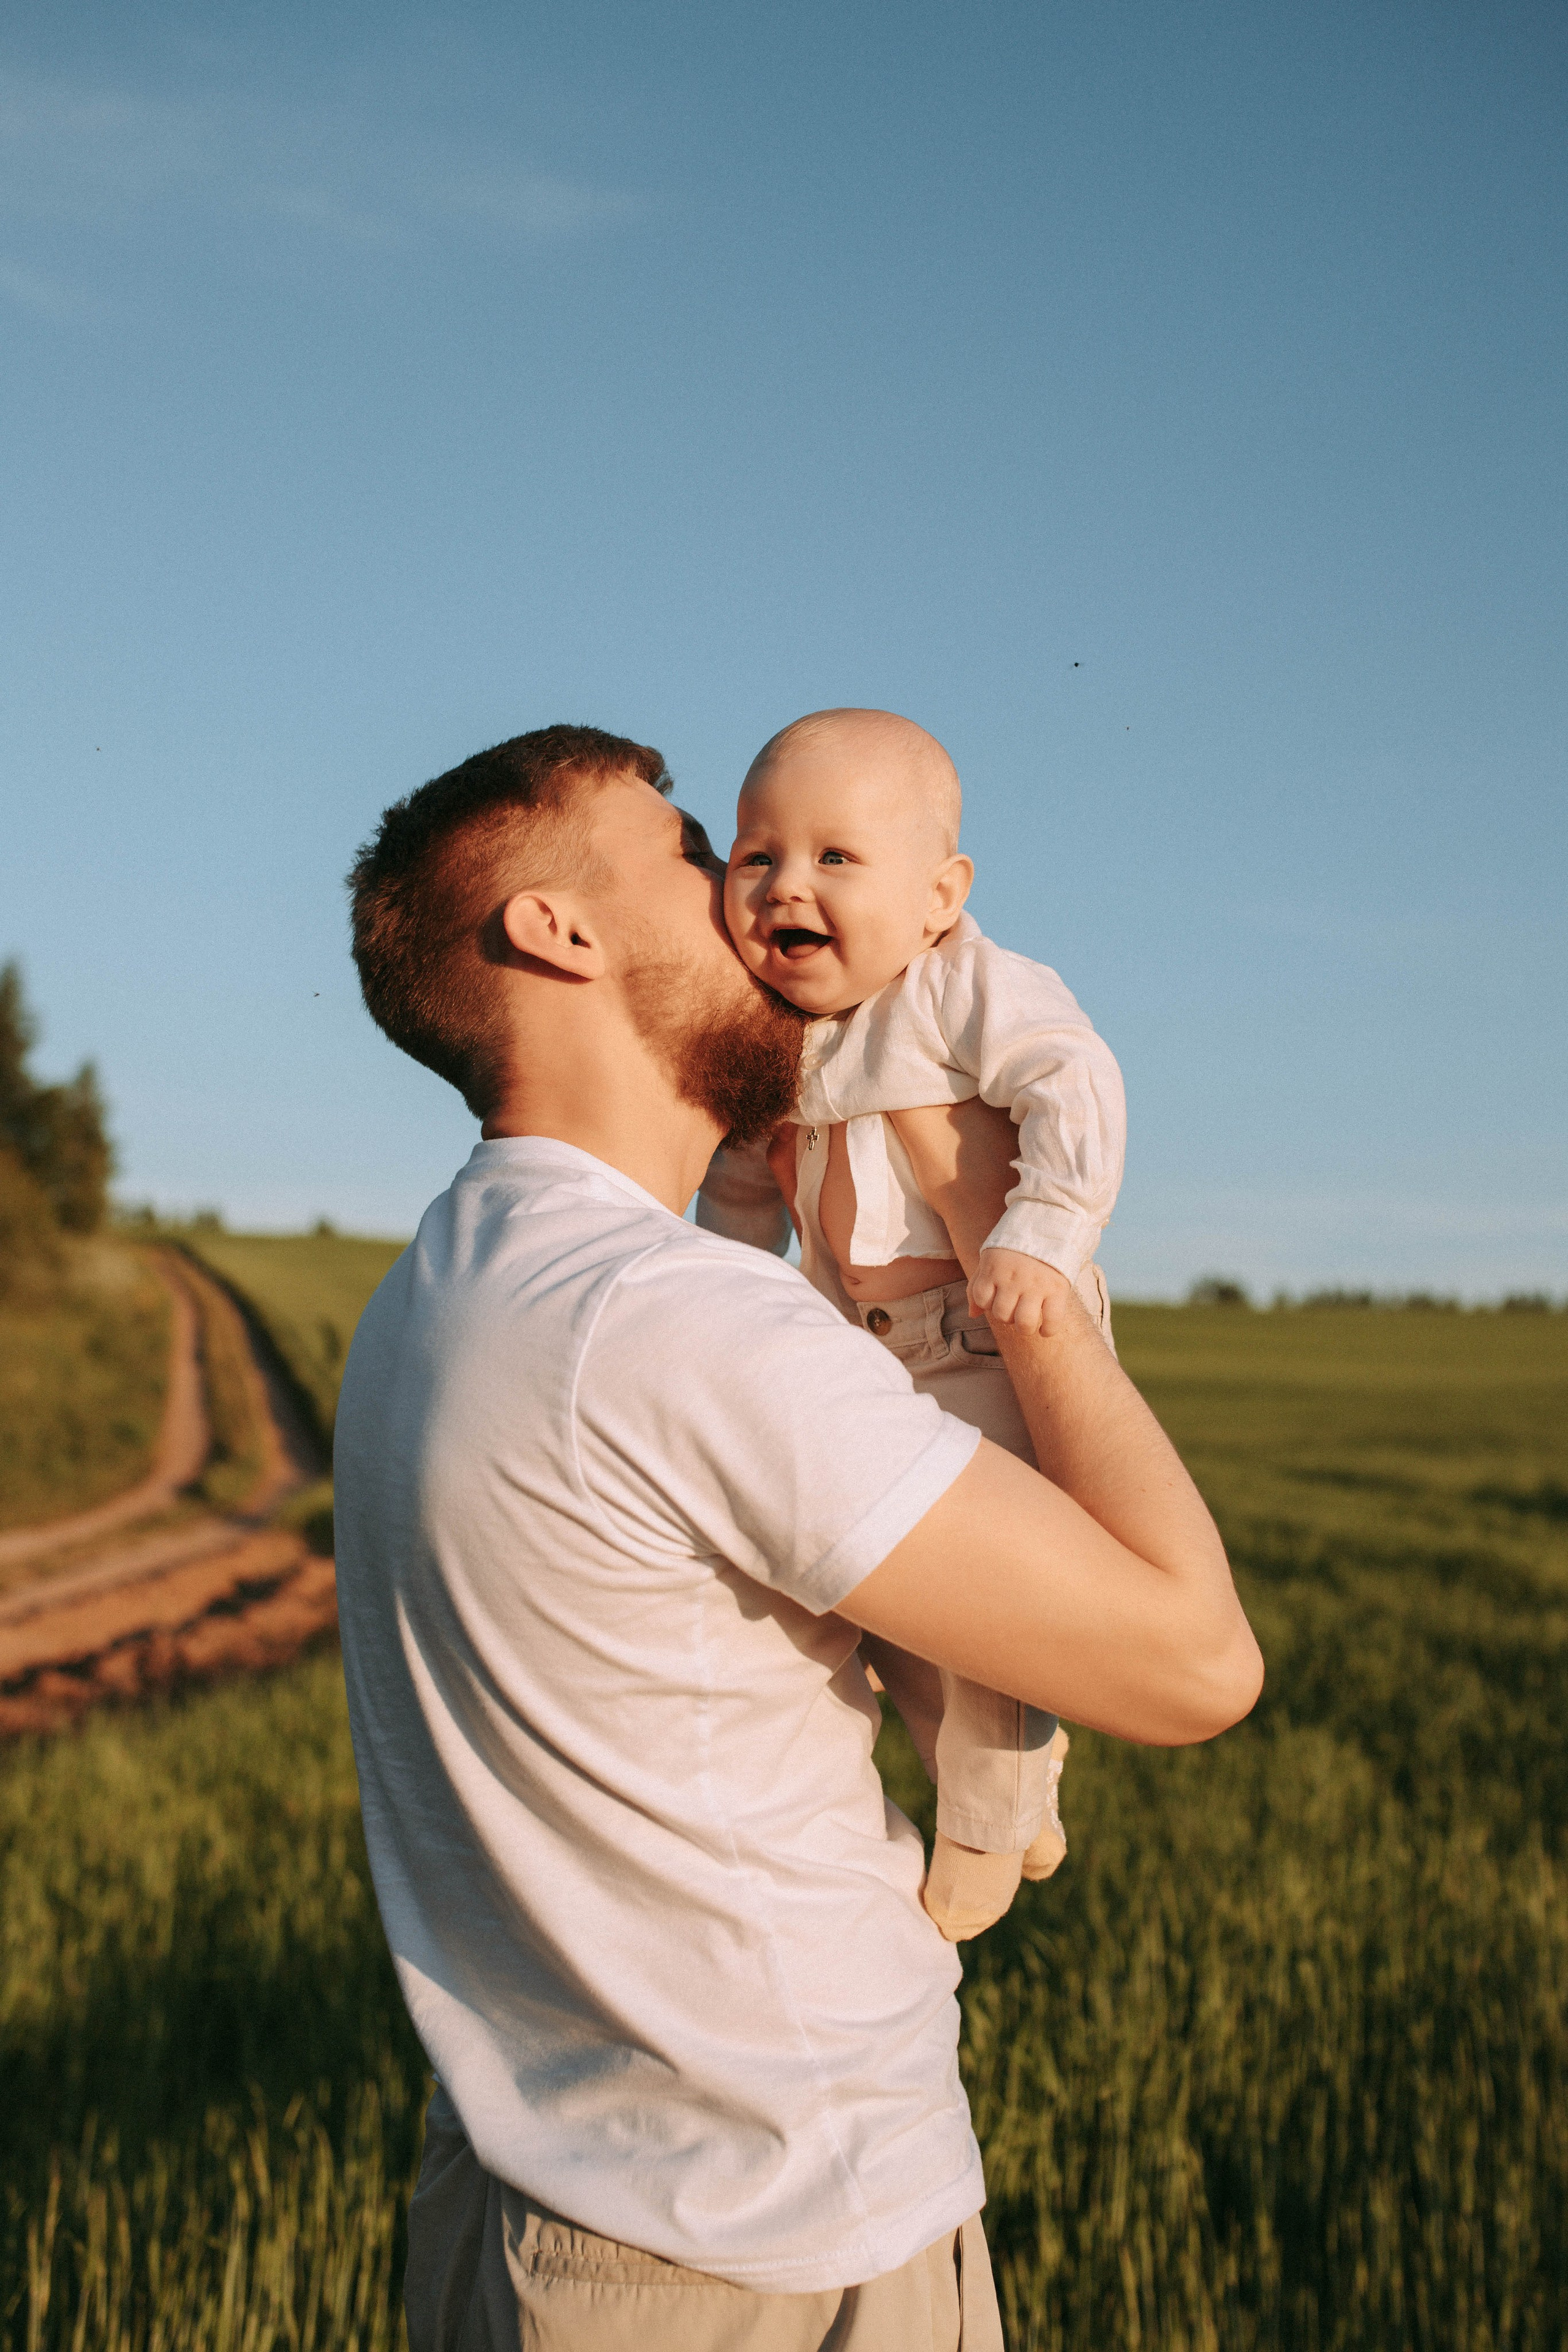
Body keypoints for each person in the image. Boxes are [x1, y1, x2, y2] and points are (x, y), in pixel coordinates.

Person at [334, 722, 1263, 2352]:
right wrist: (1013, 1266)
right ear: (561, 932)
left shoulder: (439, 1290)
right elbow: (1194, 1667)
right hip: (769, 2255)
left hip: (523, 2217)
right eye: (698, 853)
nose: (754, 892)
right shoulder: (673, 1325)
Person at [699, 707, 1123, 1939]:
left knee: (989, 1605)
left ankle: (987, 1821)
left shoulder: (959, 989)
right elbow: (736, 1182)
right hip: (863, 1352)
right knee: (892, 1612)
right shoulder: (770, 1035)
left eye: (837, 857)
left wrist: (1040, 1230)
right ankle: (990, 1790)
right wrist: (716, 1283)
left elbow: (1072, 1081)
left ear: (938, 895)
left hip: (984, 1328)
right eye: (755, 855)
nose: (787, 885)